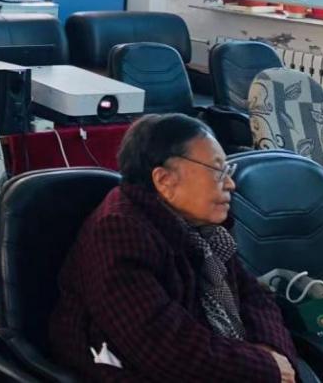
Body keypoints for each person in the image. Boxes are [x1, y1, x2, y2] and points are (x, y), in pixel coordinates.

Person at [49, 114, 299, 382]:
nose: (230, 184)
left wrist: (271, 350)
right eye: (218, 171)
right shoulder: (119, 231)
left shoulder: (201, 228)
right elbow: (162, 347)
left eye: (228, 171)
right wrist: (262, 367)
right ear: (164, 180)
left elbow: (254, 296)